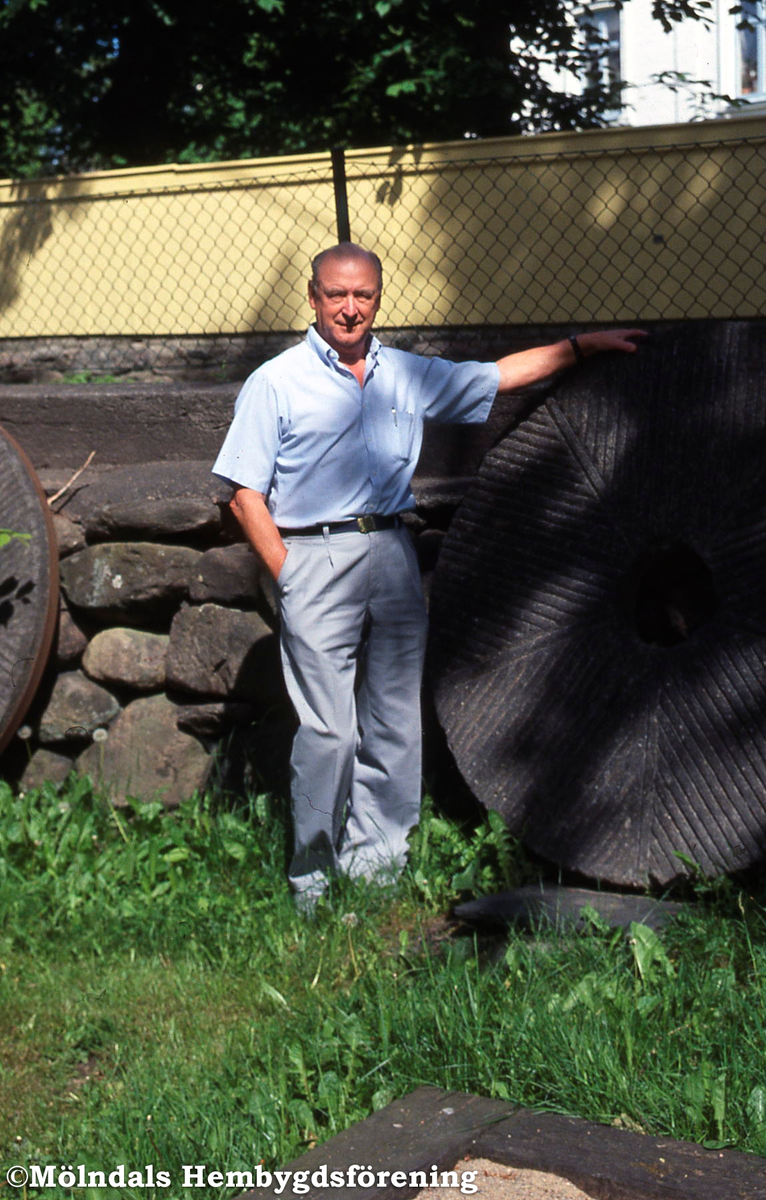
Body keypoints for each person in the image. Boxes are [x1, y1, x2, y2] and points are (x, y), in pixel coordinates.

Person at [213, 242, 644, 911]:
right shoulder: (276, 381)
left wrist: (580, 346)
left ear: (378, 298)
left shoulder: (404, 374)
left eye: (363, 295)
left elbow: (497, 377)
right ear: (313, 297)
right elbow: (245, 493)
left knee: (392, 719)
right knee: (328, 730)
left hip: (391, 552)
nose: (350, 308)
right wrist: (288, 573)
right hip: (313, 555)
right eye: (336, 295)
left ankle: (378, 868)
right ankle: (313, 881)